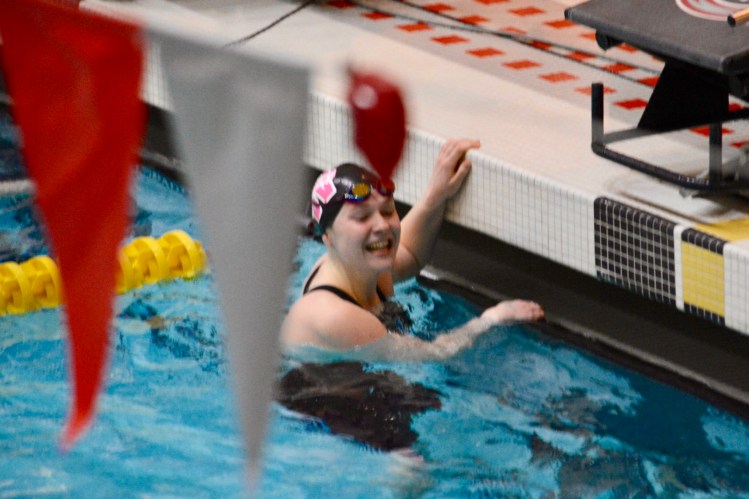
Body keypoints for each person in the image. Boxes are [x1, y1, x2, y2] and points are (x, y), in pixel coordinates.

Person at [281, 138, 544, 360]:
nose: (382, 226)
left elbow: (409, 252)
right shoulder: (334, 316)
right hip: (313, 399)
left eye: (387, 211)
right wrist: (490, 319)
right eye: (362, 217)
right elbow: (433, 354)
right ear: (327, 237)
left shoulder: (356, 263)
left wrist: (436, 193)